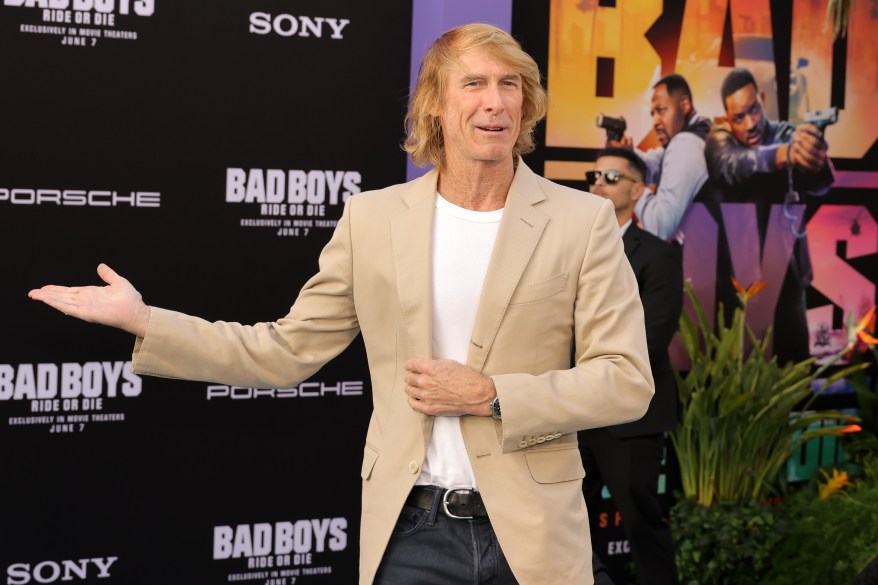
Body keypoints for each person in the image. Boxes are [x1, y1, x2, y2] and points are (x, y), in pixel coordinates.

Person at [28, 24, 654, 585]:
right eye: (475, 83)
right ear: (436, 102)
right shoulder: (373, 218)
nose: (496, 101)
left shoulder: (583, 221)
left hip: (538, 534)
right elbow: (285, 350)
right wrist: (146, 320)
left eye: (510, 84)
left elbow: (626, 383)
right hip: (413, 536)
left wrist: (490, 394)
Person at [580, 148, 683, 585]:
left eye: (611, 176)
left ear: (638, 190)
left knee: (641, 524)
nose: (598, 182)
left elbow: (653, 336)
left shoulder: (658, 255)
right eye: (594, 174)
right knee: (562, 524)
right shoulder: (570, 248)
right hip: (571, 412)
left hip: (631, 415)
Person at [705, 67, 833, 364]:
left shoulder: (786, 133)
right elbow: (730, 165)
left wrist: (815, 159)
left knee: (793, 379)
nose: (750, 123)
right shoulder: (720, 141)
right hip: (735, 288)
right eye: (739, 117)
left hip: (786, 282)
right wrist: (782, 155)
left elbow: (822, 182)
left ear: (762, 100)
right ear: (727, 118)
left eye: (754, 110)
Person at [609, 73, 711, 242]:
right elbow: (656, 164)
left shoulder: (686, 144)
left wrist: (633, 184)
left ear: (684, 105)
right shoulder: (698, 130)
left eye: (661, 110)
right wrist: (628, 154)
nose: (655, 121)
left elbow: (659, 226)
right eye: (652, 113)